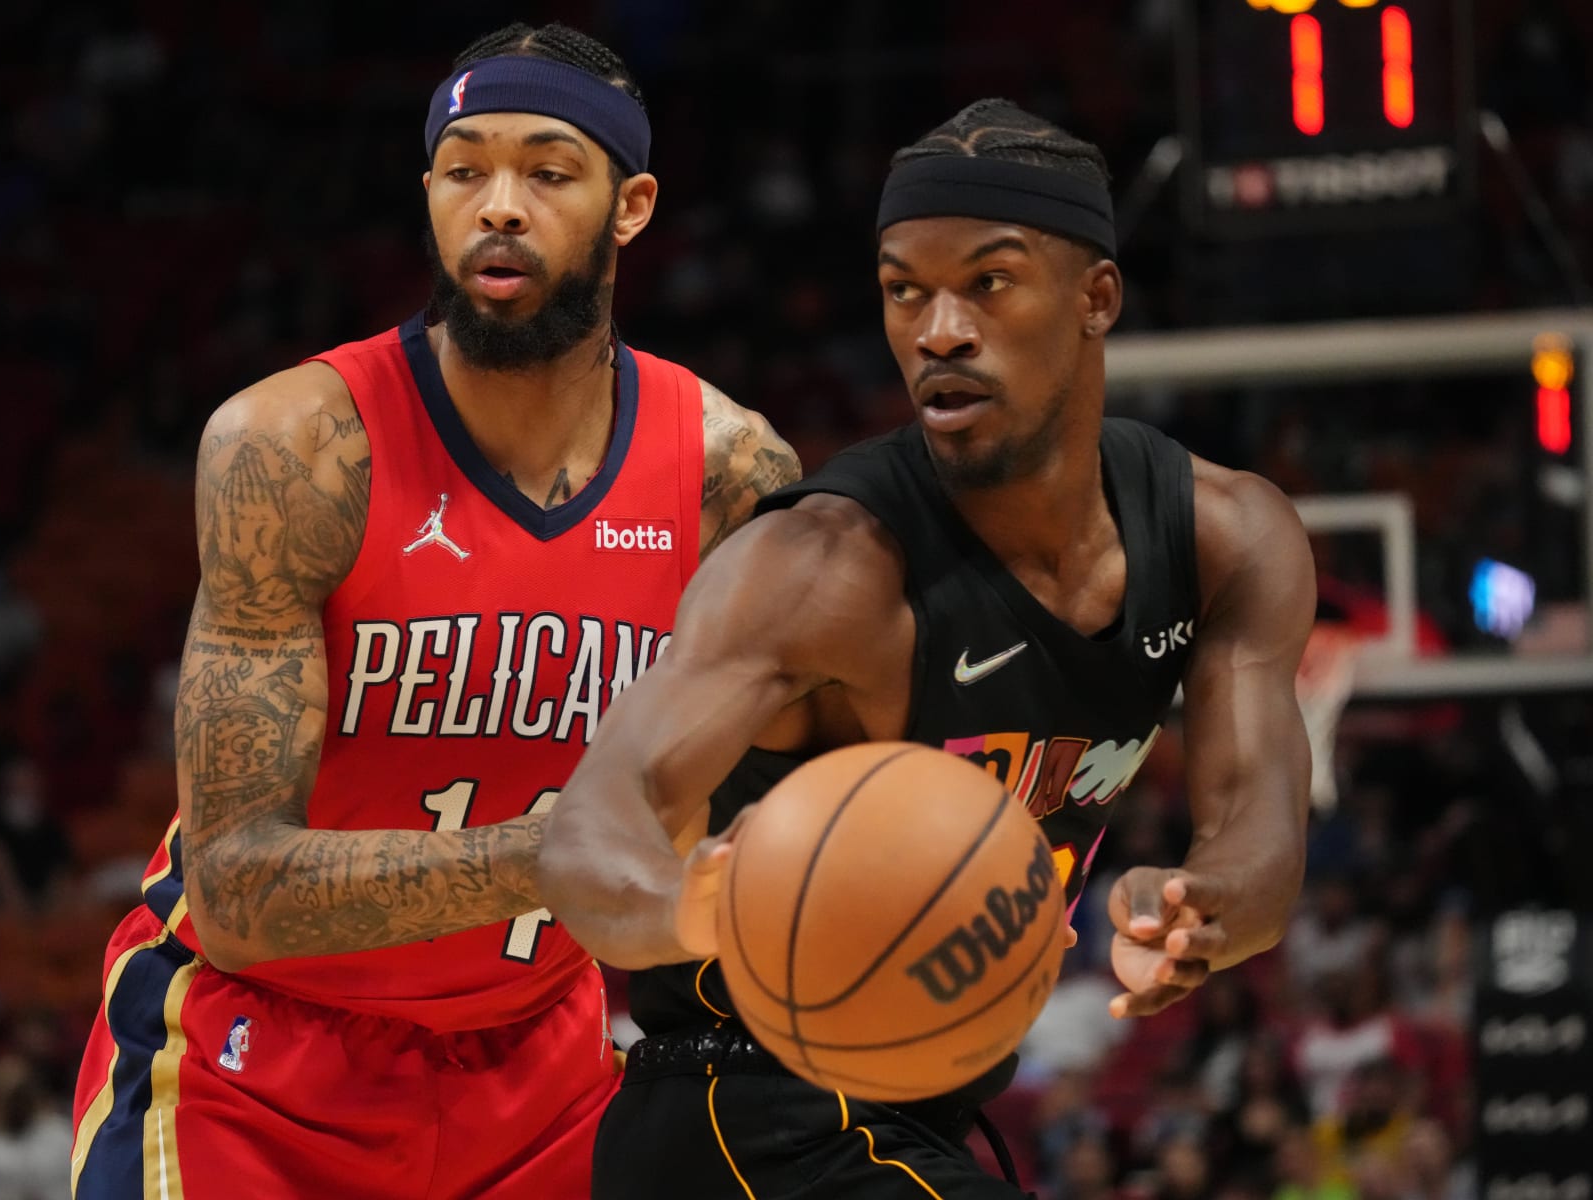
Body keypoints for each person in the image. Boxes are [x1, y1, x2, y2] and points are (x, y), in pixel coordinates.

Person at [68, 22, 797, 1200]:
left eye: (549, 173)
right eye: (466, 171)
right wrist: (554, 860)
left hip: (541, 1066)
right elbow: (240, 893)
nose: (499, 206)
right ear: (430, 194)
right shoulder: (295, 448)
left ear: (633, 206)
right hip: (256, 1062)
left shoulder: (731, 476)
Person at [539, 98, 1313, 1198]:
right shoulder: (826, 568)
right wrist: (690, 905)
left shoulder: (1228, 542)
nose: (938, 329)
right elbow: (586, 834)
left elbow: (1261, 840)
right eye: (906, 290)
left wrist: (1196, 912)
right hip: (741, 1114)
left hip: (921, 1116)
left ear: (1097, 298)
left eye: (987, 284)